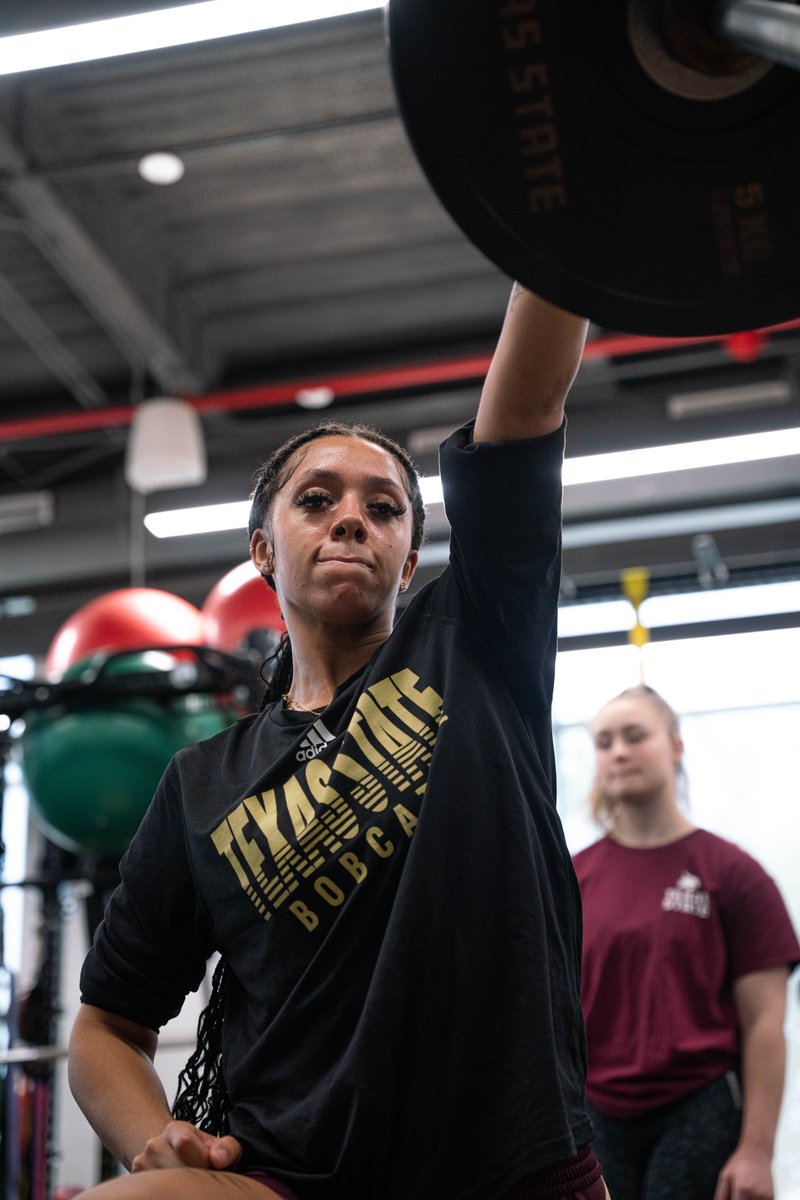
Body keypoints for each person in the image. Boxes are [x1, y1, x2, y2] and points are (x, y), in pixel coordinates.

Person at [67, 284, 608, 1200]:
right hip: (288, 1179)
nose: (352, 517)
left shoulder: (477, 639)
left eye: (386, 508)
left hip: (512, 1170)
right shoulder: (202, 781)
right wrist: (154, 1138)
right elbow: (105, 1025)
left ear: (410, 557)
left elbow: (524, 409)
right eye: (316, 500)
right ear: (264, 552)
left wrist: (549, 217)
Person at [573, 684, 800, 1200]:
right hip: (595, 1115)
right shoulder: (571, 879)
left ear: (676, 746)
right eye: (605, 742)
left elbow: (766, 1024)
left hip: (698, 1107)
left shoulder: (734, 874)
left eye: (635, 736)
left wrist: (757, 1152)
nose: (619, 752)